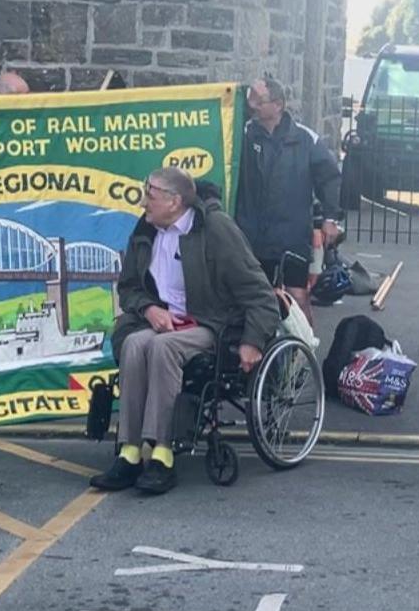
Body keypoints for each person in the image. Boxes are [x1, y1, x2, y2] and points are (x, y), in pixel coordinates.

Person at [91, 167, 280, 495]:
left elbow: (259, 293)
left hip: (213, 323)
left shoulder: (216, 229)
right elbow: (130, 287)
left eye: (150, 195)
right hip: (163, 320)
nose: (143, 202)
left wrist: (253, 340)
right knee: (135, 344)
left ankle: (162, 452)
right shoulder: (146, 229)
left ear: (174, 201)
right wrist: (150, 309)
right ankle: (130, 451)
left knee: (163, 348)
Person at [235, 76, 343, 321]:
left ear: (278, 105)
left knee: (297, 296)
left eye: (259, 101)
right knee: (255, 296)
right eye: (250, 100)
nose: (253, 106)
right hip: (251, 234)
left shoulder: (306, 139)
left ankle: (305, 352)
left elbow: (330, 178)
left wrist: (330, 218)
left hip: (291, 235)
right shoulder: (244, 134)